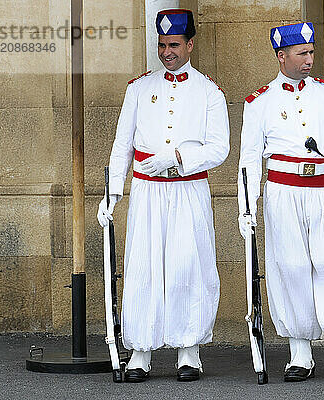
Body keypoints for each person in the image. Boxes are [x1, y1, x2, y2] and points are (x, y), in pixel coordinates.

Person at [237, 22, 324, 385]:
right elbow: (249, 161)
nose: (310, 59)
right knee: (292, 267)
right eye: (302, 54)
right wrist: (246, 208)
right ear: (282, 56)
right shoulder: (260, 101)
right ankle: (300, 353)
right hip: (283, 194)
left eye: (312, 52)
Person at [96, 9, 229, 383]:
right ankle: (140, 350)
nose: (167, 52)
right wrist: (113, 193)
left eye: (174, 45)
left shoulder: (209, 92)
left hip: (188, 189)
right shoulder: (138, 88)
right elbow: (122, 144)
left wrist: (177, 158)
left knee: (189, 266)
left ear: (189, 44)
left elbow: (220, 148)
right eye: (162, 45)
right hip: (147, 191)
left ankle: (189, 352)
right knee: (145, 266)